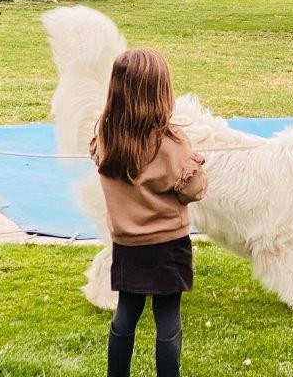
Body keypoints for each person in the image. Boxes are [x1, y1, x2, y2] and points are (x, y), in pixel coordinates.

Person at [89, 48, 208, 377]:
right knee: (167, 314)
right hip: (168, 244)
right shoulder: (172, 142)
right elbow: (192, 190)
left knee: (126, 311)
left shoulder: (106, 135)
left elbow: (99, 159)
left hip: (127, 244)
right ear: (161, 91)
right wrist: (195, 166)